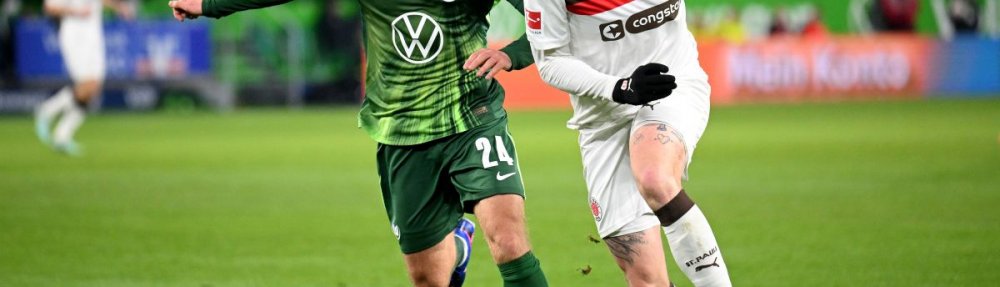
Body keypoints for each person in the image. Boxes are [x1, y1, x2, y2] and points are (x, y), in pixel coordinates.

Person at [167, 1, 549, 287]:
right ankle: (458, 247)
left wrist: (510, 54)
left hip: (472, 119)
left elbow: (550, 19)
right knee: (428, 278)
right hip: (401, 130)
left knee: (508, 240)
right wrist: (210, 5)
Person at [524, 0, 732, 286]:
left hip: (670, 84)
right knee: (646, 279)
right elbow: (550, 63)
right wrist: (620, 88)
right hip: (603, 118)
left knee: (654, 177)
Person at [34, 0, 132, 156]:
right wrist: (76, 12)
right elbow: (50, 7)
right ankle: (47, 110)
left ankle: (62, 136)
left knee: (94, 88)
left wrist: (118, 7)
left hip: (93, 34)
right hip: (75, 35)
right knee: (87, 84)